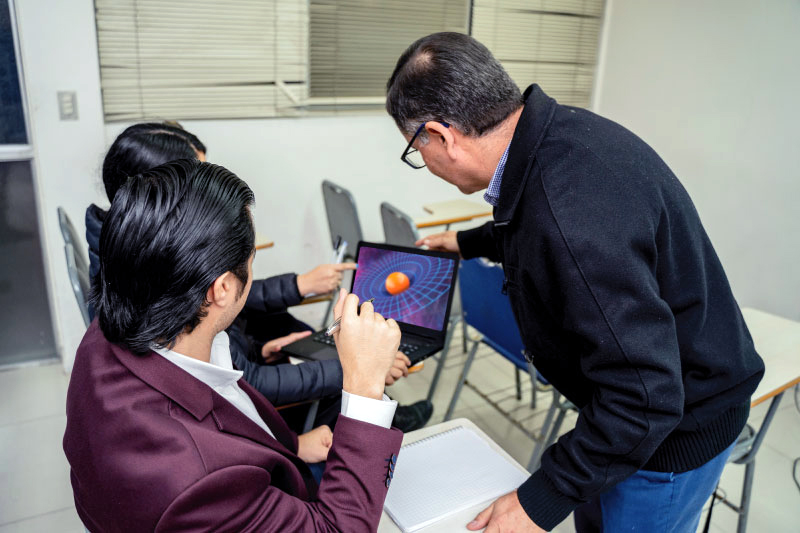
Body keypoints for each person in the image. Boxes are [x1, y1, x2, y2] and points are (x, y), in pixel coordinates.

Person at [385, 32, 765, 532]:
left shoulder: (568, 212)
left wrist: (541, 498)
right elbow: (531, 225)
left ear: (442, 134)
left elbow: (645, 398)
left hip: (670, 432)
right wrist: (470, 243)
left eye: (417, 148)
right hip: (628, 413)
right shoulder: (550, 138)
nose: (424, 162)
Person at [64, 159, 403, 531]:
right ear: (222, 288)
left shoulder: (103, 334)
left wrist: (292, 445)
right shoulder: (196, 480)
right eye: (252, 258)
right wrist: (364, 387)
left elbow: (229, 413)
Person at [86, 122, 433, 432]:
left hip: (248, 363)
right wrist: (356, 375)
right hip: (262, 404)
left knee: (281, 323)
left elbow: (228, 349)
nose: (210, 191)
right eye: (198, 177)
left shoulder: (126, 254)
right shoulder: (156, 287)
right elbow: (242, 382)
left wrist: (259, 346)